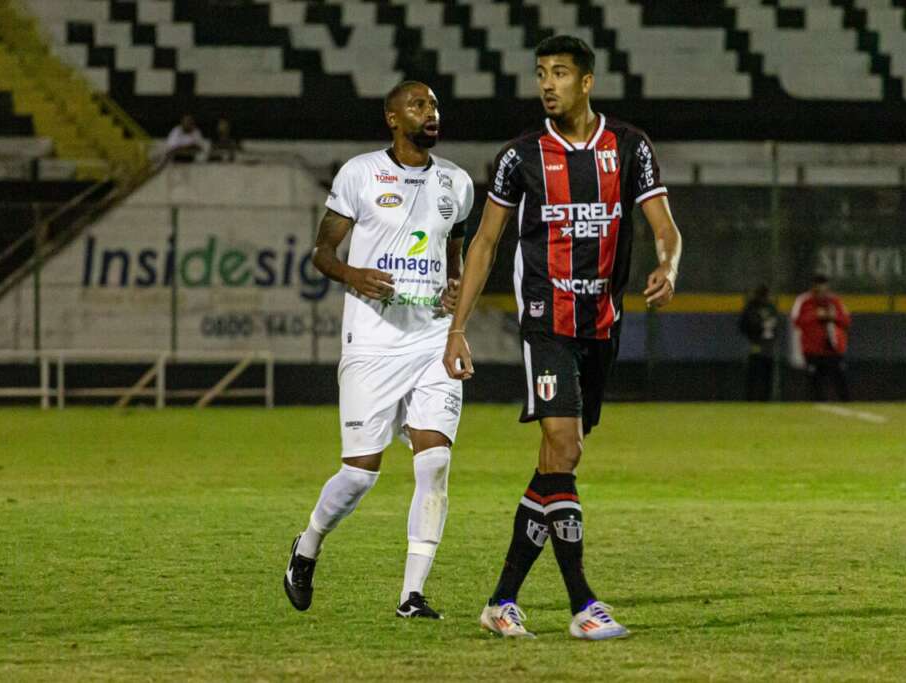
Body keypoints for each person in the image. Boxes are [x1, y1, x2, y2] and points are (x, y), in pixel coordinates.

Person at [442, 36, 682, 640]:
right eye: (541, 73)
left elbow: (664, 226)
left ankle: (502, 600)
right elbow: (487, 245)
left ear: (587, 81)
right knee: (564, 447)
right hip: (547, 322)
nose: (547, 84)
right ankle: (583, 605)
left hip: (601, 327)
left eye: (559, 73)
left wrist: (669, 265)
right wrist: (457, 329)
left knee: (555, 463)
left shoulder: (629, 147)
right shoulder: (519, 156)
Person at [283, 81, 474, 620]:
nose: (430, 112)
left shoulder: (456, 183)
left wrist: (455, 291)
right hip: (371, 340)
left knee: (434, 462)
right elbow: (322, 252)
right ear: (392, 117)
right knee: (361, 473)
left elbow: (453, 255)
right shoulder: (360, 174)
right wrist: (353, 275)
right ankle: (308, 545)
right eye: (418, 105)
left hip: (432, 338)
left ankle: (411, 595)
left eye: (435, 104)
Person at [790, 275, 851, 401]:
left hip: (833, 348)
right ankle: (816, 405)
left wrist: (833, 317)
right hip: (813, 350)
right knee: (815, 381)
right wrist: (815, 315)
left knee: (840, 378)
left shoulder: (835, 301)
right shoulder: (804, 300)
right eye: (818, 288)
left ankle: (846, 403)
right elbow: (796, 321)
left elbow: (846, 321)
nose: (821, 292)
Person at [738, 284, 779, 401]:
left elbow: (776, 327)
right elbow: (744, 326)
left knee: (766, 375)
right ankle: (750, 398)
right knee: (754, 374)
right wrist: (754, 335)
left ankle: (766, 398)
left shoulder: (770, 308)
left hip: (768, 346)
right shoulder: (752, 308)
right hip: (755, 344)